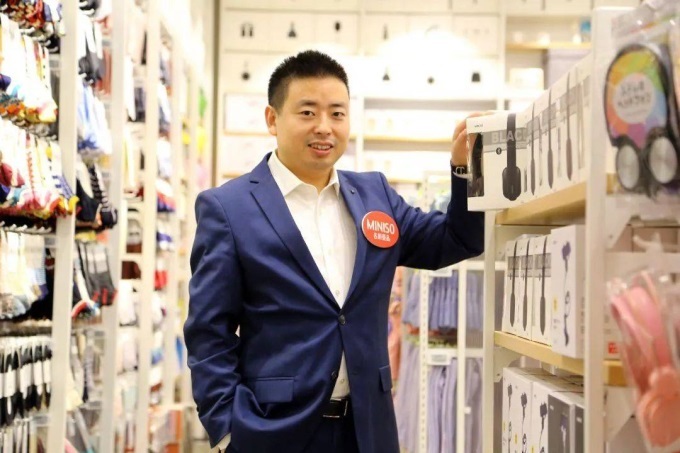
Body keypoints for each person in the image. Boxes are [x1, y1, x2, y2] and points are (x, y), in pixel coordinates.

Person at [185, 50, 485, 453]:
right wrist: (227, 430)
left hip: (368, 430)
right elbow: (208, 332)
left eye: (337, 114)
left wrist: (464, 169)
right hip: (273, 431)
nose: (324, 127)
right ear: (272, 119)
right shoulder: (228, 207)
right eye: (308, 112)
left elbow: (456, 239)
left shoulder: (375, 195)